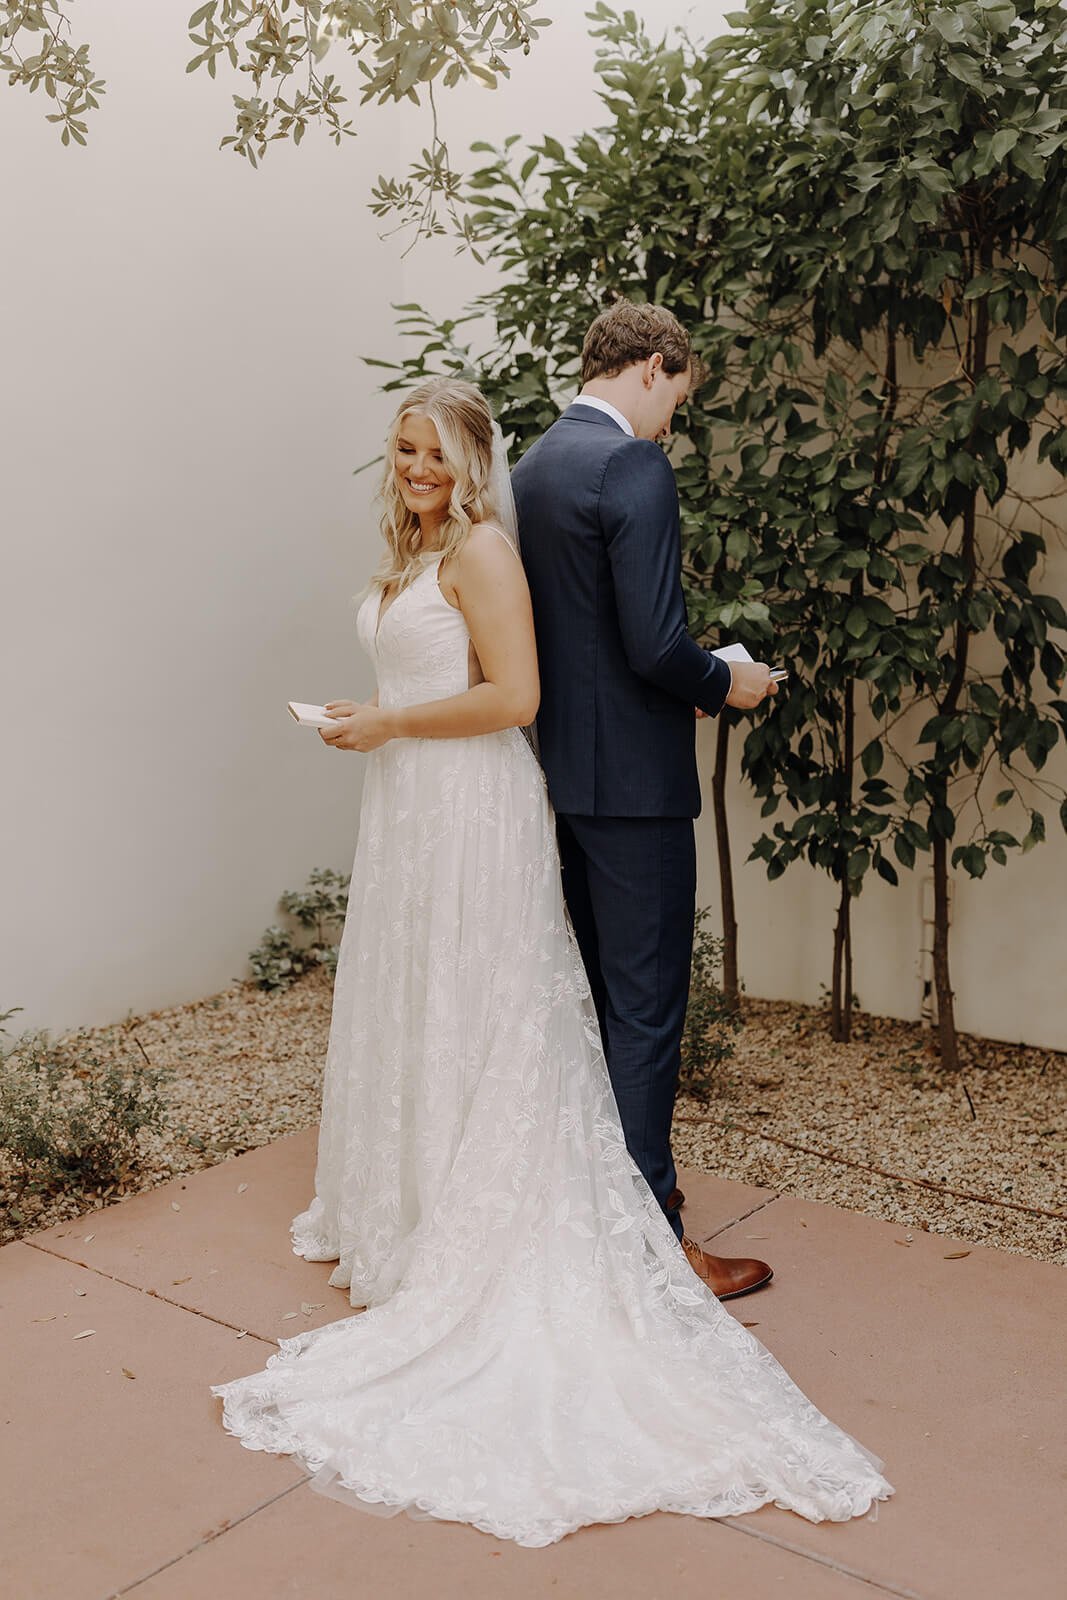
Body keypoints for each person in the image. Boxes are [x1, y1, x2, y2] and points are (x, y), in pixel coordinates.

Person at [211, 376, 892, 1546]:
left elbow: (514, 695)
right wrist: (361, 711)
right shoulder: (420, 543)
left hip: (471, 810)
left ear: (469, 459)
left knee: (487, 1006)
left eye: (431, 451)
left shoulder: (480, 547)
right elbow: (432, 678)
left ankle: (500, 1222)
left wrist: (387, 723)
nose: (414, 468)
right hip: (412, 805)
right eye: (401, 449)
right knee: (425, 1003)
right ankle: (418, 1199)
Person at [512, 299, 776, 1296]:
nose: (673, 422)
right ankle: (650, 1245)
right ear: (656, 367)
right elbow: (656, 644)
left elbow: (573, 636)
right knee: (647, 1012)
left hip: (569, 780)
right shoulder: (631, 465)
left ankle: (600, 1218)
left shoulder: (536, 465)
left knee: (605, 1005)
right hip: (637, 789)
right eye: (678, 400)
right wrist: (727, 683)